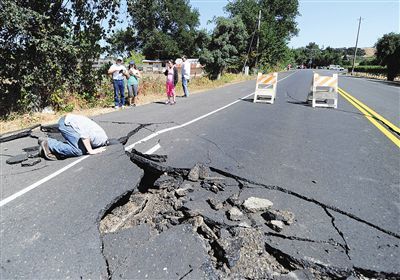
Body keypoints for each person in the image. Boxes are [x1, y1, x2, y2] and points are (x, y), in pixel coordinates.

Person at [39, 114, 108, 160]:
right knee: (78, 151)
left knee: (83, 146)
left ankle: (53, 145)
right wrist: (91, 151)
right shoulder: (97, 137)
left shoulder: (101, 137)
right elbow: (84, 135)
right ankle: (49, 143)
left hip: (71, 120)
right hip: (66, 123)